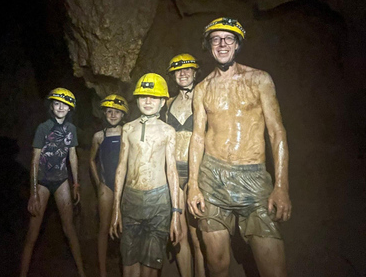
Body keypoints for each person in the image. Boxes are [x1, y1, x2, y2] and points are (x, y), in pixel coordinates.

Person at [187, 17, 292, 277]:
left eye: (228, 39)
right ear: (209, 45)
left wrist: (281, 186)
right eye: (216, 39)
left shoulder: (259, 80)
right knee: (218, 265)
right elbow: (198, 136)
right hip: (213, 177)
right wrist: (193, 184)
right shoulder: (202, 88)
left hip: (253, 177)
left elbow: (276, 132)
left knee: (273, 269)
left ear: (237, 44)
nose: (222, 44)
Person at [110, 73, 182, 277]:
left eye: (154, 97)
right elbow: (121, 167)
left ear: (162, 102)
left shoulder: (168, 131)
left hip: (159, 201)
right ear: (137, 99)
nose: (148, 101)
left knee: (150, 266)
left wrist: (176, 213)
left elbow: (171, 171)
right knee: (129, 263)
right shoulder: (128, 128)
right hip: (130, 200)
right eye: (143, 96)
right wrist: (116, 209)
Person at [20, 88, 86, 277]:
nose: (60, 107)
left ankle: (82, 272)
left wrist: (76, 184)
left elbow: (72, 155)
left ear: (69, 108)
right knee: (32, 234)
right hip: (42, 182)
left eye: (64, 104)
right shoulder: (43, 128)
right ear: (52, 106)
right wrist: (33, 193)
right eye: (57, 103)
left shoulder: (71, 129)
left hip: (62, 180)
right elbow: (34, 160)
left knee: (70, 229)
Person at [166, 54, 205, 277]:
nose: (183, 73)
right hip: (173, 172)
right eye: (178, 70)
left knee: (197, 237)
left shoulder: (202, 98)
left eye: (187, 69)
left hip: (195, 173)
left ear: (195, 72)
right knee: (179, 236)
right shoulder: (168, 103)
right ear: (172, 75)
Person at [90, 94, 129, 277]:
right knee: (104, 228)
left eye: (117, 112)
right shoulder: (99, 136)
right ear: (104, 113)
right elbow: (91, 160)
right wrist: (98, 182)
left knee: (126, 228)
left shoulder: (127, 132)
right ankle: (103, 272)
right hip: (106, 185)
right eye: (109, 112)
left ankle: (126, 269)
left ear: (123, 114)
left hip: (125, 186)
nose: (113, 115)